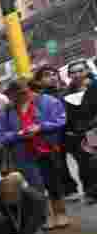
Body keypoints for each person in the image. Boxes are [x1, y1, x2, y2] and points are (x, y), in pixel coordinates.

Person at [0, 78, 70, 229]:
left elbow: (61, 120)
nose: (20, 97)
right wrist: (18, 134)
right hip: (23, 154)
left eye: (23, 92)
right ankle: (45, 215)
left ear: (30, 89)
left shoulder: (47, 101)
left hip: (48, 149)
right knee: (35, 187)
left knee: (53, 183)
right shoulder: (5, 111)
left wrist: (41, 127)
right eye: (15, 94)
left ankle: (60, 212)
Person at [35, 67, 82, 200]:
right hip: (53, 136)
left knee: (84, 160)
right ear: (39, 80)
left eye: (54, 74)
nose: (52, 77)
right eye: (47, 75)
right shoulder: (39, 98)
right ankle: (69, 190)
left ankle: (90, 187)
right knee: (60, 165)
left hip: (71, 133)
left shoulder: (65, 91)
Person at [63, 59, 97, 204]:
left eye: (80, 70)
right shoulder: (66, 94)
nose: (77, 74)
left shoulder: (94, 86)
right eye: (73, 72)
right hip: (82, 135)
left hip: (93, 130)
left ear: (88, 71)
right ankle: (91, 192)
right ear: (69, 75)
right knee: (86, 165)